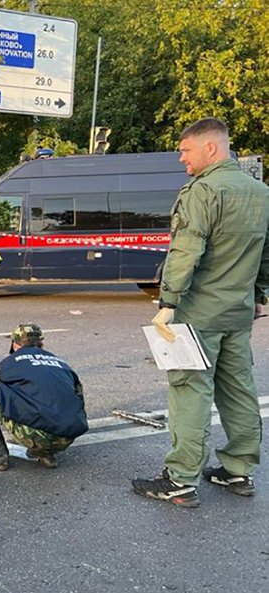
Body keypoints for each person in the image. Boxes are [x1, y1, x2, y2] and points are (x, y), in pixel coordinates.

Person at [133, 117, 269, 508]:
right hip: (239, 311)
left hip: (199, 313)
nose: (181, 158)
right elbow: (266, 253)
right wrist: (259, 293)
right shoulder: (260, 192)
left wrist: (168, 302)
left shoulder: (203, 191)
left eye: (186, 149)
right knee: (239, 387)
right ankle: (239, 470)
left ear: (211, 148)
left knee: (190, 390)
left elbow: (185, 251)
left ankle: (180, 479)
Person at [0, 323, 87, 471]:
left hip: (33, 434)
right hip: (66, 438)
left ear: (15, 344)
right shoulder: (61, 364)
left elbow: (4, 391)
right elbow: (78, 398)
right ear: (41, 343)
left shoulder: (9, 362)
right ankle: (46, 454)